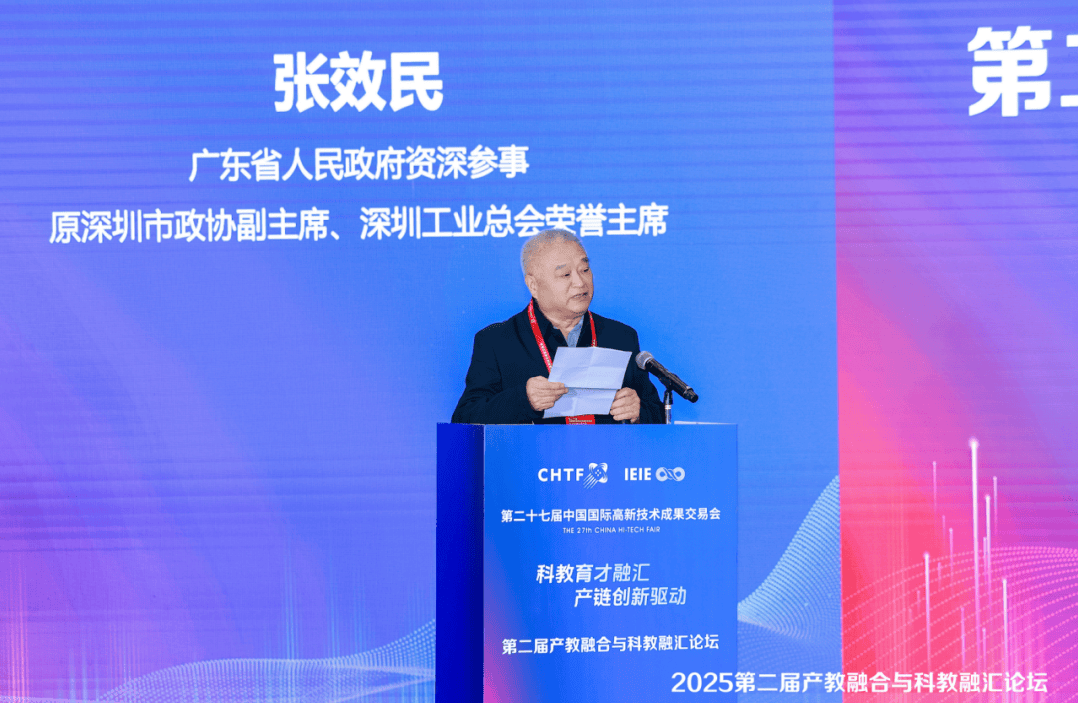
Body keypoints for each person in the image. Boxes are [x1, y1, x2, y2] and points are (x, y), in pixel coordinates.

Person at [452, 229, 664, 424]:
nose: (580, 282)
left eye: (585, 269)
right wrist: (523, 400)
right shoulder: (497, 341)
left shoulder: (621, 337)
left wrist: (638, 412)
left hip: (606, 453)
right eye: (565, 274)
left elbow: (658, 415)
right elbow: (465, 419)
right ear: (533, 285)